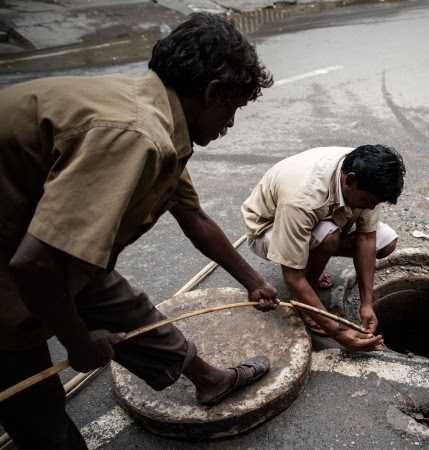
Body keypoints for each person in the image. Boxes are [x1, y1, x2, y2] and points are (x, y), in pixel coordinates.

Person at [0, 13, 279, 449]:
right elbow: (36, 263)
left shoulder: (157, 117)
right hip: (20, 255)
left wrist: (253, 281)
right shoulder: (135, 133)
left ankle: (210, 380)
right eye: (233, 107)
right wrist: (79, 344)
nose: (231, 123)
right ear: (211, 93)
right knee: (37, 405)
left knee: (122, 305)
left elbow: (194, 217)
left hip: (31, 237)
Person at [241, 145, 405, 351]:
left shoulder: (369, 178)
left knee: (387, 242)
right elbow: (292, 276)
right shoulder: (302, 198)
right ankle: (306, 305)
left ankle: (314, 263)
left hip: (326, 216)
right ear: (349, 180)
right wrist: (337, 331)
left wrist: (366, 303)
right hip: (268, 228)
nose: (371, 207)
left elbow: (367, 239)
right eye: (368, 201)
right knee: (328, 236)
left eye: (375, 203)